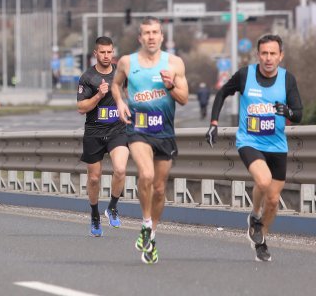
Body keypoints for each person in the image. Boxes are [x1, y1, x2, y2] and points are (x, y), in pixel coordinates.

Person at [205, 34, 303, 263]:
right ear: (258, 55)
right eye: (264, 53)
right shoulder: (245, 75)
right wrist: (214, 123)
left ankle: (261, 239)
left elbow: (298, 114)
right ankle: (255, 217)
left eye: (273, 54)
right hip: (249, 141)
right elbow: (222, 93)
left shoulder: (288, 80)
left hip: (277, 145)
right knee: (263, 181)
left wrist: (287, 112)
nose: (268, 58)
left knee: (273, 199)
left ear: (281, 56)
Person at [113, 16, 188, 265]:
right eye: (146, 33)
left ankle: (151, 235)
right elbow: (116, 84)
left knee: (159, 188)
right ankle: (145, 223)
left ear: (162, 36)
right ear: (140, 38)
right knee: (145, 175)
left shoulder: (174, 63)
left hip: (165, 133)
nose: (151, 37)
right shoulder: (127, 62)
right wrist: (121, 102)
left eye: (155, 32)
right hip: (138, 130)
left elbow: (184, 98)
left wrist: (170, 86)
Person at [76, 36, 129, 236]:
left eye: (109, 52)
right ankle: (94, 214)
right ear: (95, 54)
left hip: (117, 130)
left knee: (121, 169)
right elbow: (81, 108)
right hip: (94, 132)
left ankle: (113, 207)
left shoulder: (120, 74)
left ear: (113, 52)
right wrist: (98, 95)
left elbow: (130, 95)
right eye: (102, 52)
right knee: (95, 178)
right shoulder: (87, 77)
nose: (106, 56)